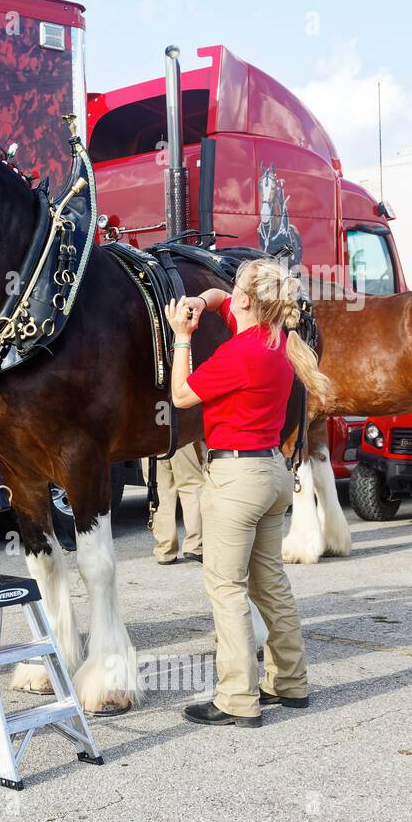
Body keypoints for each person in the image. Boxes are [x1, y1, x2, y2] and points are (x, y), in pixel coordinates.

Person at [165, 258, 331, 727]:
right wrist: (203, 301)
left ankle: (237, 697)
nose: (226, 291)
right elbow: (220, 301)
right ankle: (290, 682)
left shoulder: (239, 354)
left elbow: (180, 397)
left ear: (246, 299)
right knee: (270, 584)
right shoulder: (275, 339)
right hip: (273, 472)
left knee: (227, 588)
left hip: (237, 479)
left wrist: (181, 335)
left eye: (233, 286)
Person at [144, 443, 204, 565]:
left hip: (148, 436)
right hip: (179, 434)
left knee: (160, 489)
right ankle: (195, 545)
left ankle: (165, 550)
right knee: (191, 485)